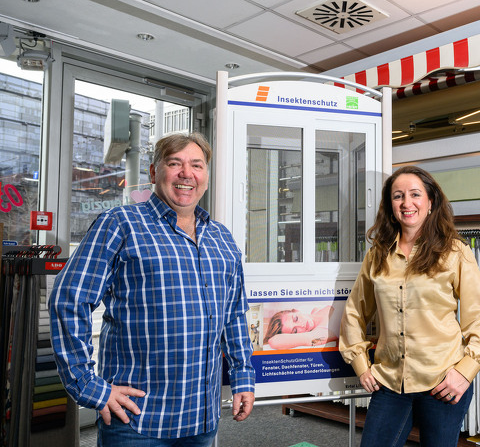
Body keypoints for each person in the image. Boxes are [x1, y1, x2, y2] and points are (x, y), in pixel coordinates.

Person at [49, 132, 255, 446]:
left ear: (206, 176)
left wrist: (242, 376)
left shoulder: (221, 238)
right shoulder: (120, 224)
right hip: (136, 420)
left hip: (201, 418)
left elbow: (234, 315)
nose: (186, 173)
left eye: (196, 165)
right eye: (175, 163)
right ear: (154, 172)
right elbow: (69, 300)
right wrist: (87, 384)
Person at [339, 165, 480, 447]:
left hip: (443, 380)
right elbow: (354, 312)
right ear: (391, 206)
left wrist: (465, 372)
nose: (406, 203)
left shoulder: (455, 251)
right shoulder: (377, 255)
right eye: (398, 196)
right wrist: (361, 365)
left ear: (430, 202)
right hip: (390, 381)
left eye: (415, 194)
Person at [263, 306, 337, 349]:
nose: (301, 325)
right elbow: (273, 341)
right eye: (295, 331)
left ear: (296, 311)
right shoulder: (319, 334)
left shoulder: (316, 309)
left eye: (296, 319)